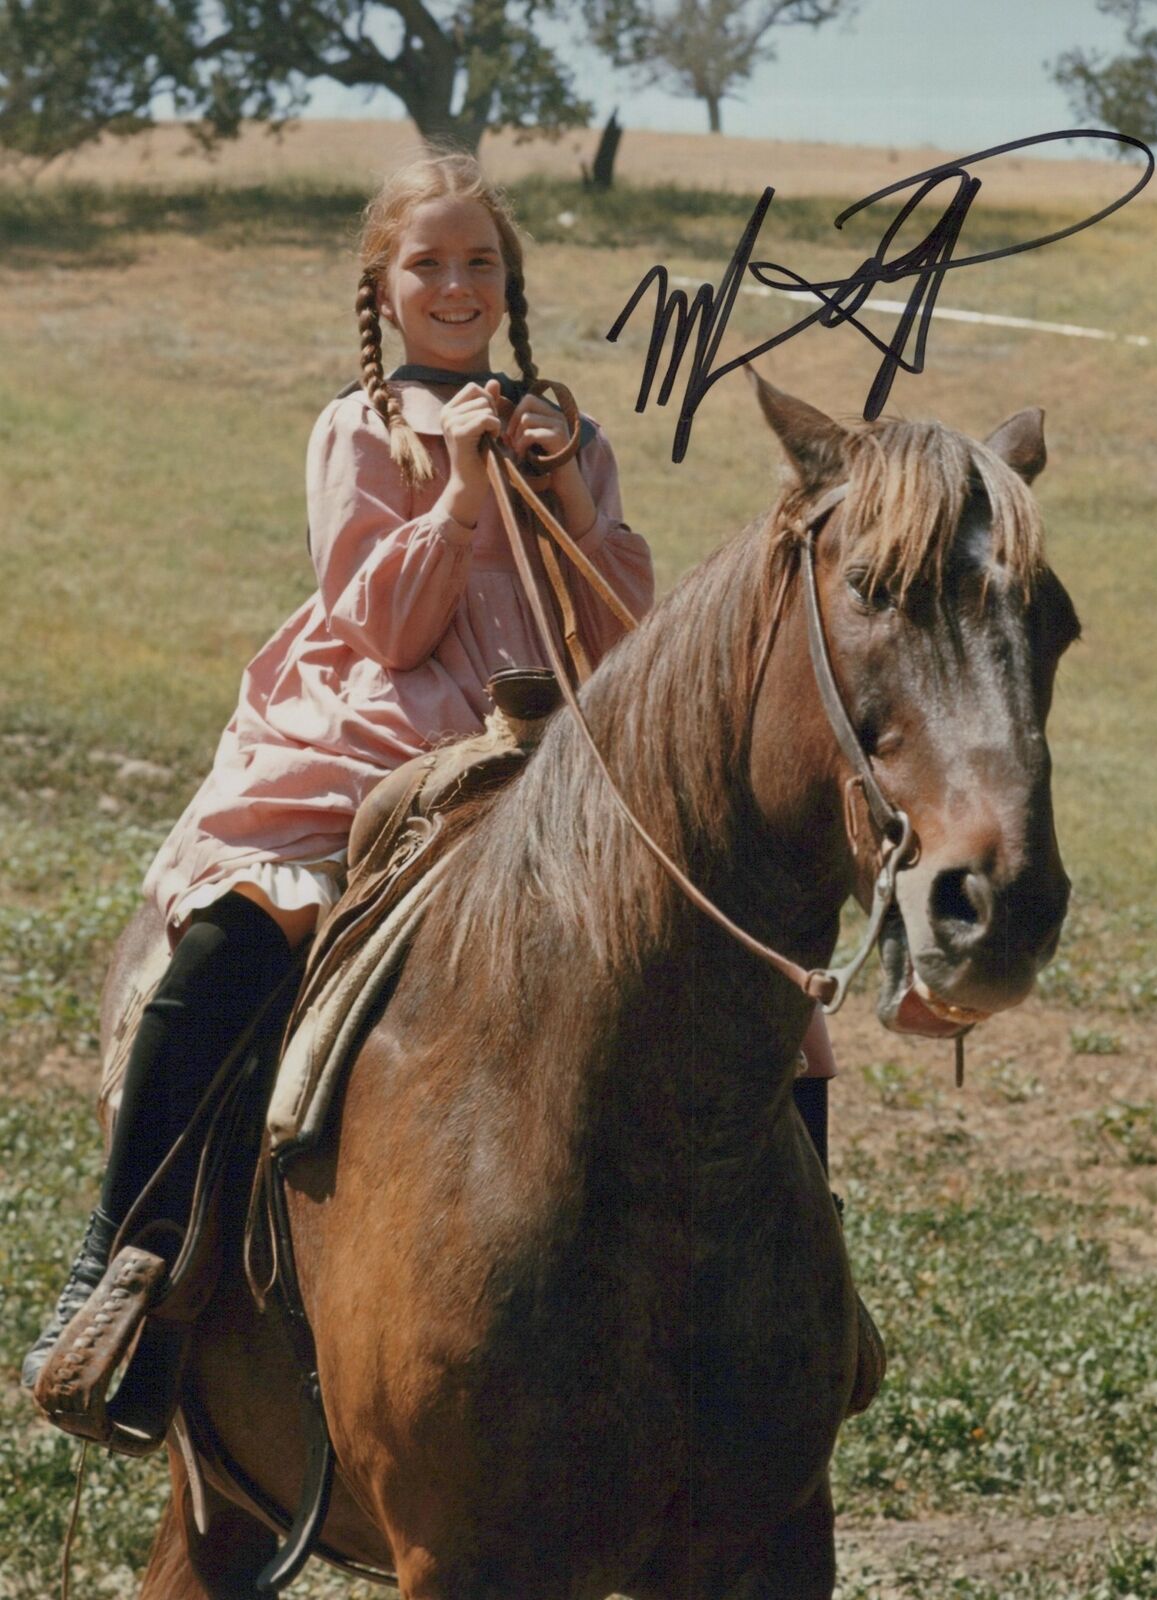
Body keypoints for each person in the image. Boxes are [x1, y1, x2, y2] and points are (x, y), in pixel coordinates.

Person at [22, 149, 836, 1393]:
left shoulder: (573, 435)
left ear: (509, 284)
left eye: (478, 263)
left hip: (554, 742)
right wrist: (460, 488)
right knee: (234, 943)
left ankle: (796, 1302)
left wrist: (562, 487)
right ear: (384, 287)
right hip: (382, 731)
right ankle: (124, 1265)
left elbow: (622, 644)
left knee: (773, 1002)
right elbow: (384, 626)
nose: (455, 285)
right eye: (428, 264)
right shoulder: (358, 428)